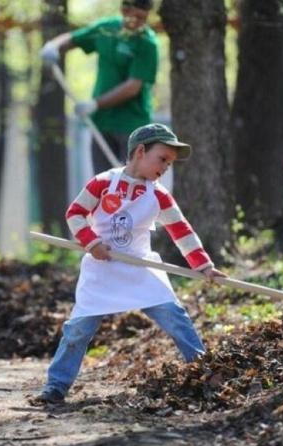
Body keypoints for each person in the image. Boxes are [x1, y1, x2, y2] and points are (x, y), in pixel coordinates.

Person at [32, 123, 227, 405]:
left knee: (176, 319)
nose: (166, 168)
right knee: (77, 330)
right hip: (102, 267)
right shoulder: (101, 182)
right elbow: (75, 213)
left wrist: (204, 266)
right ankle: (56, 387)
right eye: (162, 159)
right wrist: (92, 242)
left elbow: (181, 231)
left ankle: (206, 374)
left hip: (141, 268)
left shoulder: (159, 195)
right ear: (139, 152)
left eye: (170, 164)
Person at [40, 0, 159, 174]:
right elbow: (74, 39)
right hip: (102, 123)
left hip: (132, 125)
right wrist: (54, 46)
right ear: (123, 10)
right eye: (136, 17)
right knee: (103, 182)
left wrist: (95, 104)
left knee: (134, 183)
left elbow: (133, 86)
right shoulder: (106, 29)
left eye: (144, 18)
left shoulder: (147, 43)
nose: (140, 23)